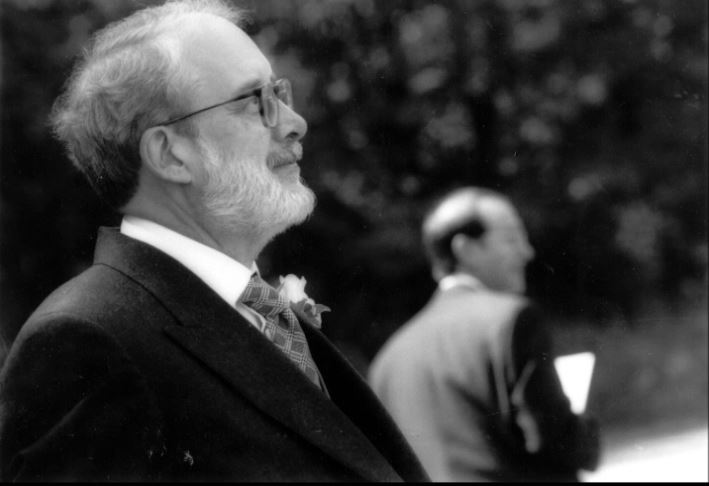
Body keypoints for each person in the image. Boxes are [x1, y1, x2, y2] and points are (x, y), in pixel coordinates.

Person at [0, 0, 430, 482]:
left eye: (279, 93)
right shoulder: (89, 339)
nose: (294, 122)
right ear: (170, 154)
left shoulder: (258, 311)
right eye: (254, 101)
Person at [368, 186, 600, 482]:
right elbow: (556, 438)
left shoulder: (387, 361)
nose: (527, 252)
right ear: (466, 250)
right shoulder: (512, 320)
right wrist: (585, 433)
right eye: (511, 238)